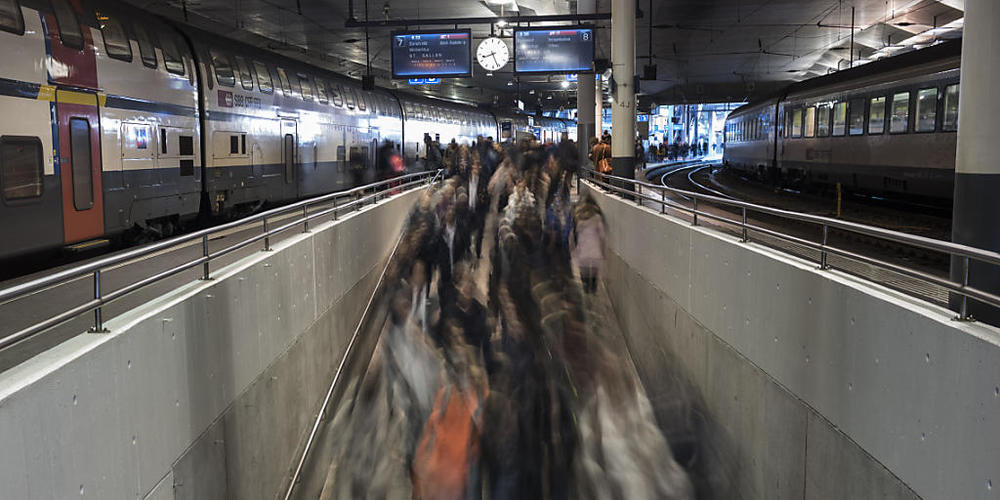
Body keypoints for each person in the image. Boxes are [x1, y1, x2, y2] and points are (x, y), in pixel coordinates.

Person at [572, 194, 606, 294]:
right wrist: (603, 251)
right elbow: (602, 236)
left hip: (583, 251)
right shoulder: (597, 218)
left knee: (584, 276)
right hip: (595, 251)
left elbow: (574, 235)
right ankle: (593, 290)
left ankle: (586, 291)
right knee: (594, 277)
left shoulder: (578, 218)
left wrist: (573, 249)